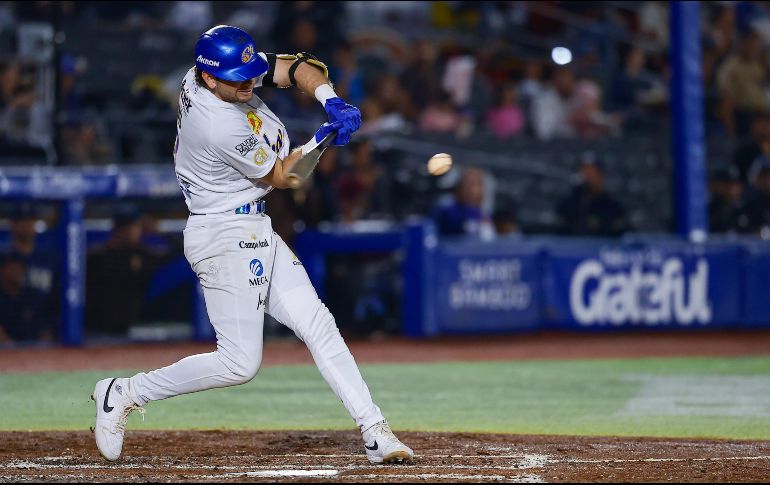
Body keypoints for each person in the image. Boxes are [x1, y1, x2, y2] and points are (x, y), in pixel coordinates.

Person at [90, 25, 413, 465]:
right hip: (223, 234)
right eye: (237, 78)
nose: (249, 83)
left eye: (248, 74)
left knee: (318, 324)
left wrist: (329, 98)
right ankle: (124, 392)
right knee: (239, 364)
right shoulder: (216, 122)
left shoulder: (216, 75)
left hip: (252, 226)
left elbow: (295, 67)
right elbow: (285, 177)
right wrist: (322, 139)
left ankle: (374, 430)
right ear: (209, 78)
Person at [556, 155, 629, 237]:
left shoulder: (613, 207)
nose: (588, 176)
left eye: (592, 172)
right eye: (585, 172)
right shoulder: (568, 205)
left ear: (601, 175)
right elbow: (558, 234)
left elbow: (622, 234)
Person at [432, 167, 495, 239]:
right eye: (467, 184)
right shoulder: (446, 212)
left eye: (476, 184)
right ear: (459, 187)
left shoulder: (484, 215)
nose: (472, 189)